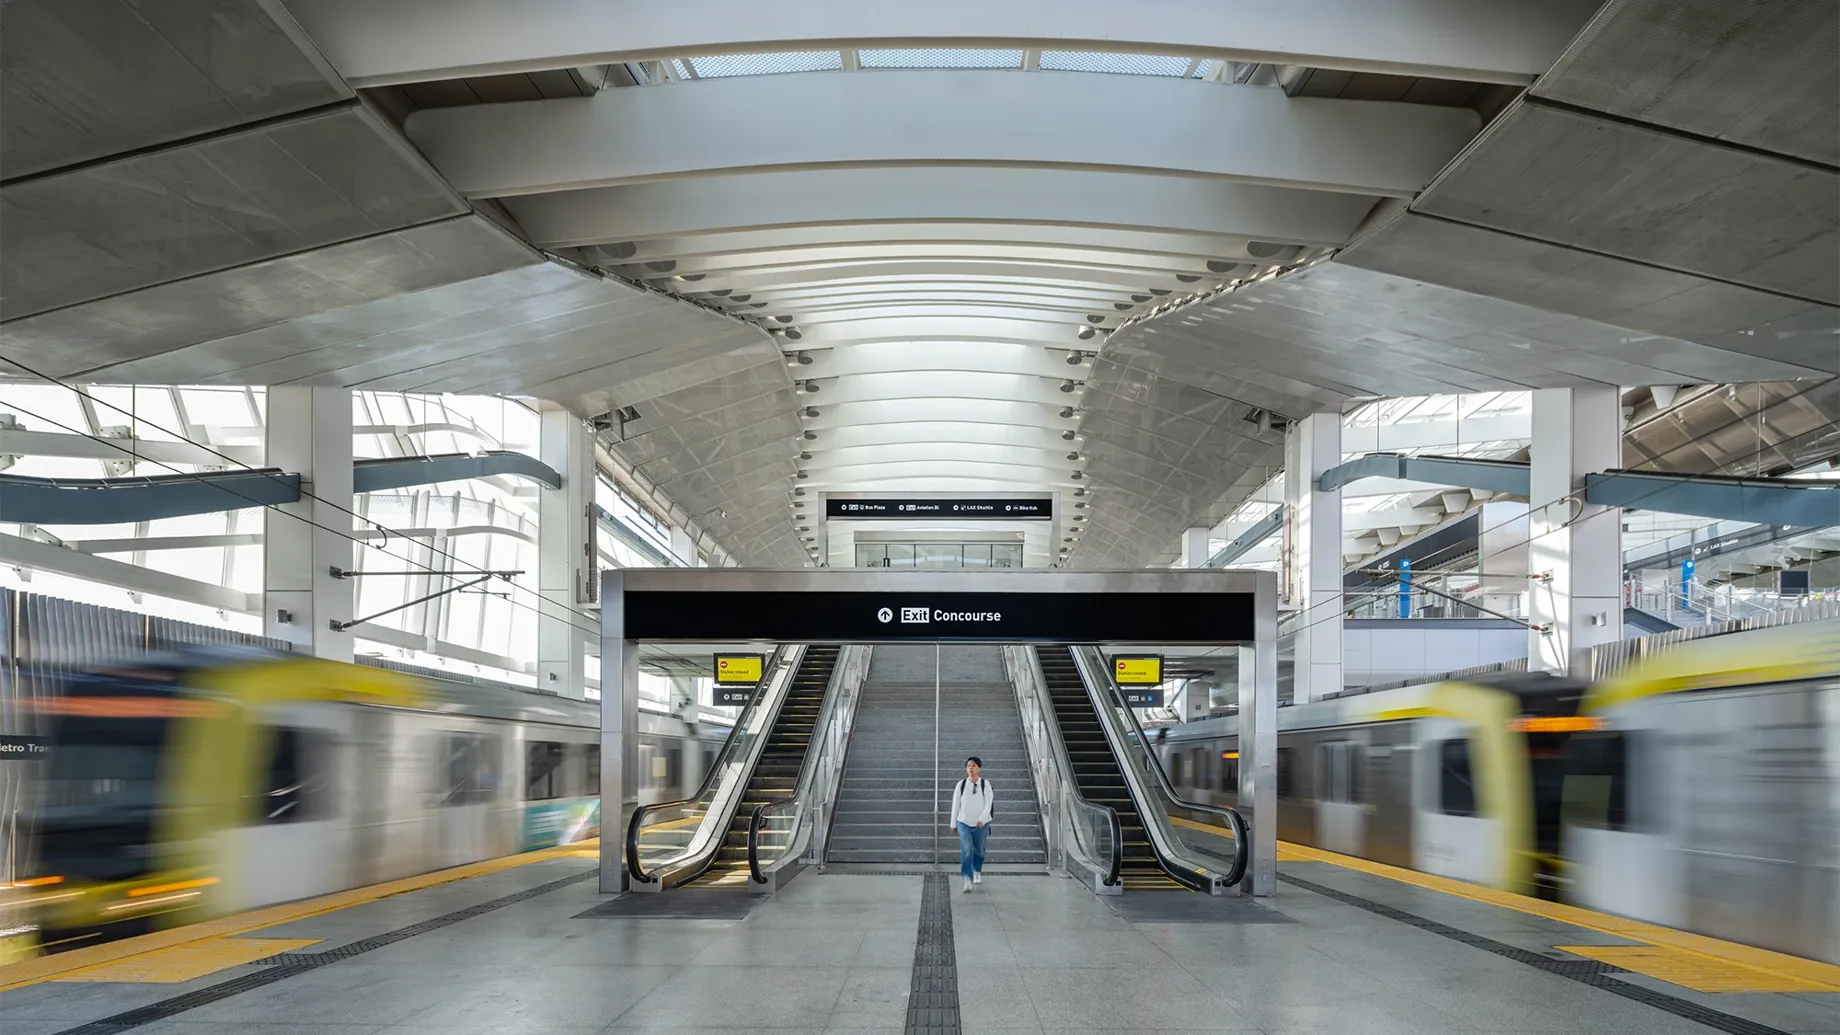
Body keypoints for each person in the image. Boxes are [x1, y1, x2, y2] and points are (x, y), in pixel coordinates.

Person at [950, 755, 994, 892]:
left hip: (982, 824)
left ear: (979, 769)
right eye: (969, 765)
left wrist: (982, 818)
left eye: (974, 765)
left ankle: (977, 871)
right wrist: (953, 823)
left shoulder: (985, 784)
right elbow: (955, 804)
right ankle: (966, 877)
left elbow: (988, 804)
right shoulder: (961, 784)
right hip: (963, 822)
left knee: (979, 850)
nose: (971, 768)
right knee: (967, 849)